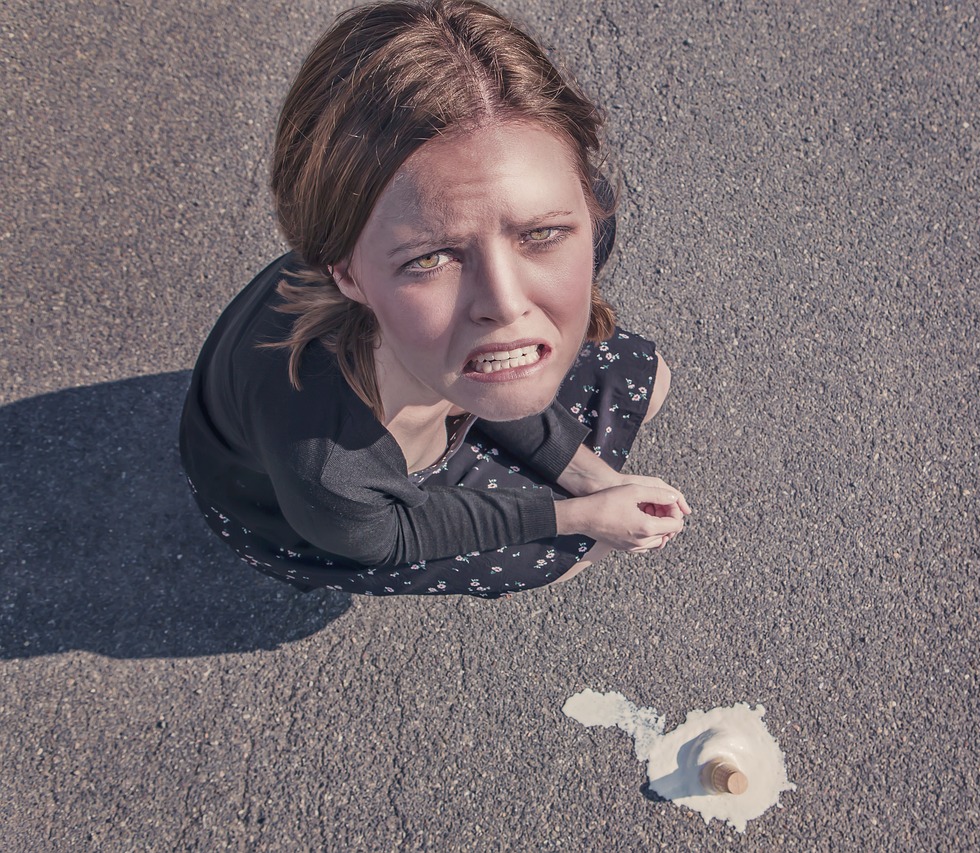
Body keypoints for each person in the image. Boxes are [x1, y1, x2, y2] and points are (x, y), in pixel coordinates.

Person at [178, 0, 690, 598]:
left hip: (420, 386)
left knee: (646, 382)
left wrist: (596, 479)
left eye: (541, 234)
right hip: (302, 514)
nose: (505, 304)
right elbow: (398, 533)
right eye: (430, 258)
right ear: (344, 273)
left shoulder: (569, 231)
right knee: (558, 554)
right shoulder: (327, 465)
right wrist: (582, 516)